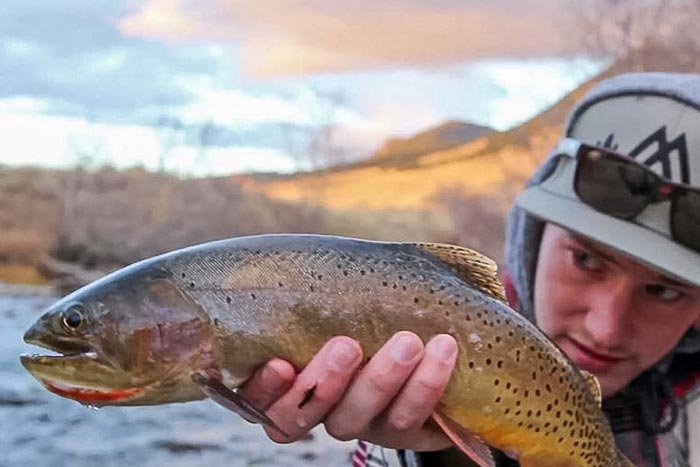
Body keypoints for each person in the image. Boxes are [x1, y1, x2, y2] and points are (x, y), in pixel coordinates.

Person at [236, 72, 700, 467]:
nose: (606, 327)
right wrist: (436, 456)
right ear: (532, 240)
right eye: (586, 259)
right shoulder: (424, 333)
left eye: (664, 291)